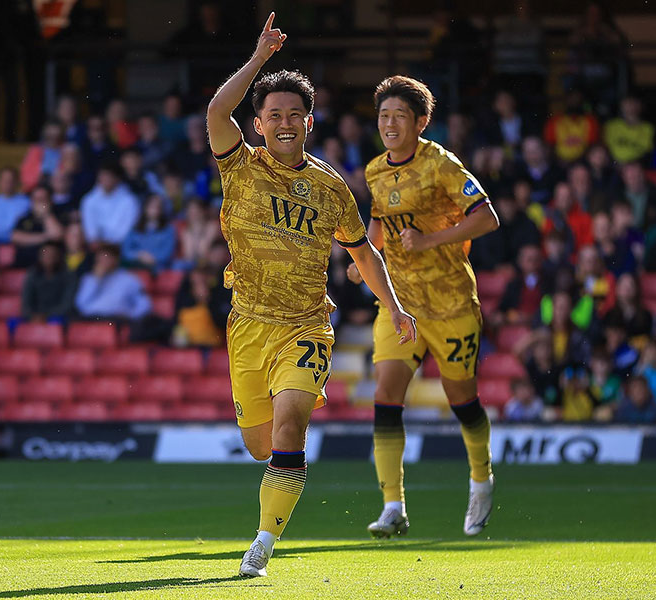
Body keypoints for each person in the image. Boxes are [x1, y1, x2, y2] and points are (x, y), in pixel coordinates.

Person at [206, 14, 415, 578]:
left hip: (305, 326)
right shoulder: (240, 167)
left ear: (309, 122)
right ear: (260, 123)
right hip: (247, 324)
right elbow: (214, 113)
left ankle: (263, 543)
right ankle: (271, 507)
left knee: (290, 427)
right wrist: (257, 61)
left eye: (295, 114)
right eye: (274, 114)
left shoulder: (331, 189)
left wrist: (393, 307)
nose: (285, 123)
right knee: (258, 446)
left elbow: (364, 254)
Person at [346, 74, 499, 541]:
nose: (389, 124)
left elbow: (487, 218)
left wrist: (429, 239)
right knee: (385, 398)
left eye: (399, 116)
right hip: (399, 304)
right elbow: (378, 224)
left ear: (421, 122)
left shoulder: (442, 165)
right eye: (384, 115)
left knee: (463, 402)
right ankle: (393, 505)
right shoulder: (374, 171)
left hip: (451, 303)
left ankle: (481, 478)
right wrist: (364, 262)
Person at [74, 244, 151, 321]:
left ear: (116, 260)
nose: (103, 261)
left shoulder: (129, 279)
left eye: (106, 257)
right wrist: (95, 280)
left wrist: (131, 316)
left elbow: (144, 304)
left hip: (117, 320)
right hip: (92, 320)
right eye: (100, 257)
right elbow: (81, 304)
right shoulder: (89, 279)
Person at [80, 161, 140, 246]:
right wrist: (96, 240)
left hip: (120, 246)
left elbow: (127, 230)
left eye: (109, 176)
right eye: (103, 176)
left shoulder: (130, 201)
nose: (106, 179)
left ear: (118, 178)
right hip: (96, 246)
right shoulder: (89, 200)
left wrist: (111, 243)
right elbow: (90, 229)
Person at [21, 241, 77, 323]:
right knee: (13, 324)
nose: (49, 257)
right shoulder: (33, 274)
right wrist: (33, 316)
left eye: (52, 255)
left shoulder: (68, 276)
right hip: (34, 316)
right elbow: (26, 302)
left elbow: (67, 304)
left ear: (58, 257)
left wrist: (46, 316)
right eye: (45, 254)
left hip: (57, 317)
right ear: (40, 256)